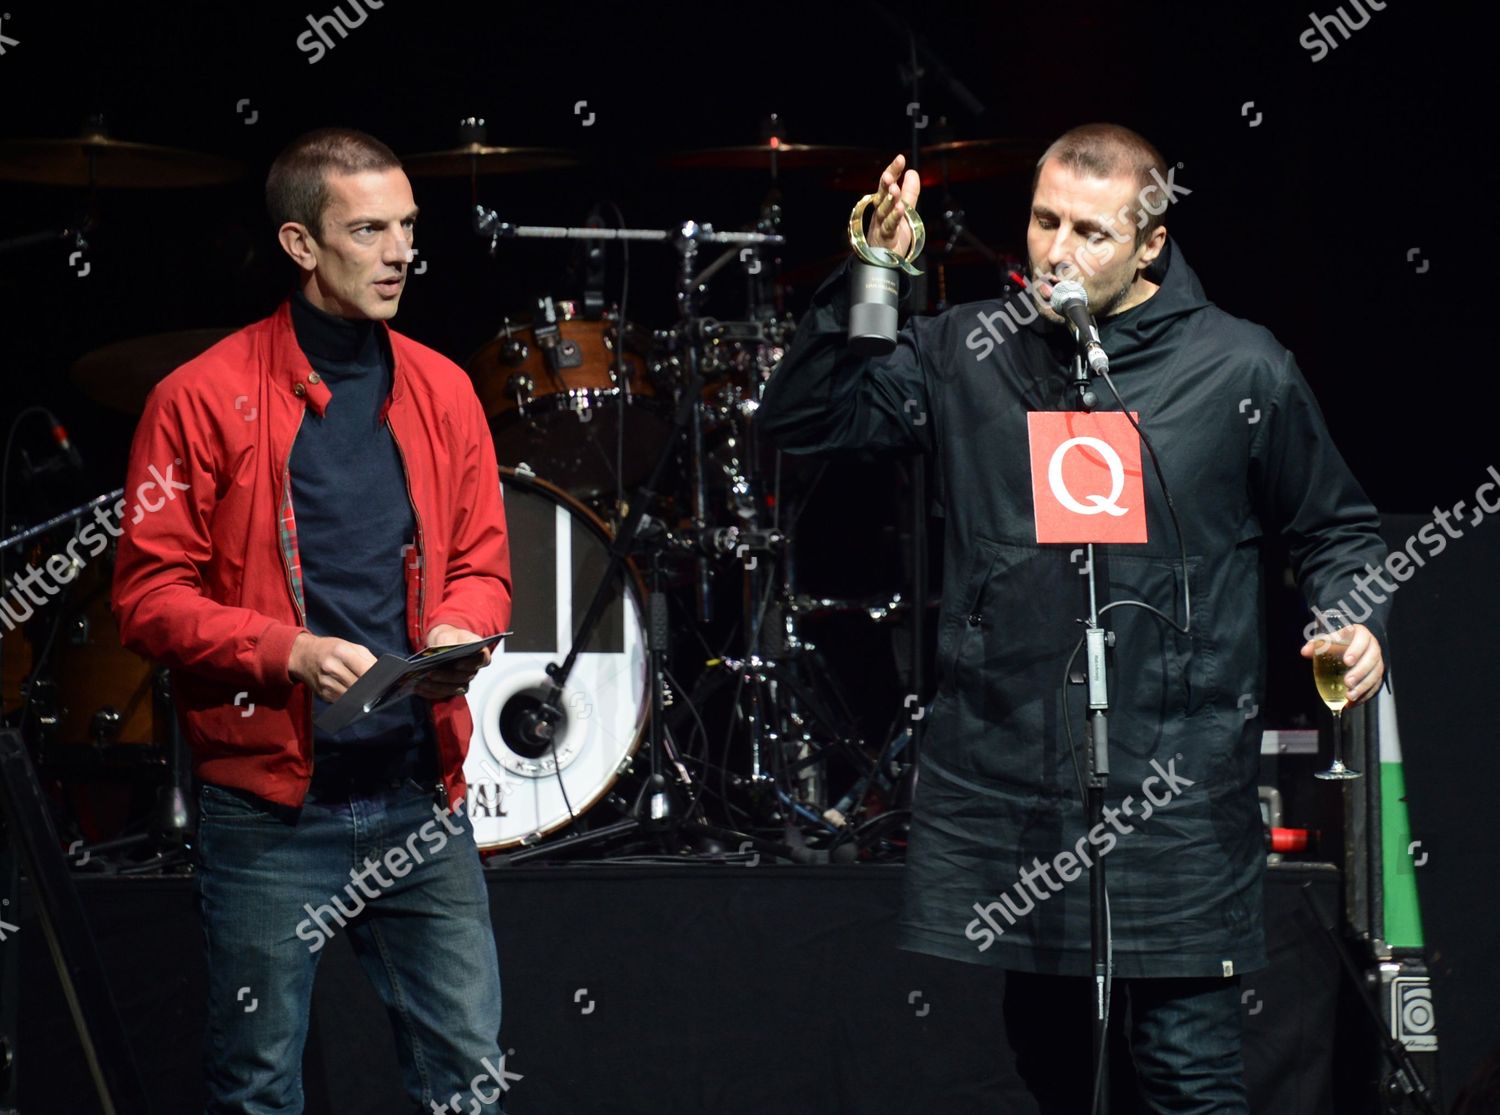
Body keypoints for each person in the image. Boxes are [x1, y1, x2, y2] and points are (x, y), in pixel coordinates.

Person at [756, 122, 1388, 1113]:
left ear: (1151, 241)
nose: (1057, 250)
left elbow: (1335, 526)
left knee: (1184, 1067)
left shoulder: (1239, 369)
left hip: (1176, 784)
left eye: (1090, 231)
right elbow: (803, 422)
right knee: (1050, 1057)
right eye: (1045, 219)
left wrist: (1354, 620)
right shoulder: (970, 354)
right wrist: (872, 274)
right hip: (1020, 784)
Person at [111, 127, 513, 1114]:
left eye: (407, 227)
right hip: (270, 814)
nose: (397, 252)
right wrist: (283, 649)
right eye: (368, 229)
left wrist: (462, 624)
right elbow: (146, 597)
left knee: (468, 1081)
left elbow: (484, 565)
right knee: (257, 1091)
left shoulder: (446, 387)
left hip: (419, 798)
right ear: (300, 245)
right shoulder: (197, 397)